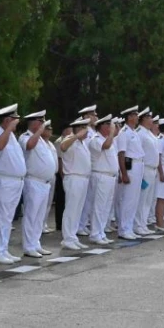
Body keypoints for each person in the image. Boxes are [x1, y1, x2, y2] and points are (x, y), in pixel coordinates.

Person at [0, 103, 26, 265]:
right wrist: (9, 128)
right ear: (8, 120)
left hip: (14, 182)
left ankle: (3, 249)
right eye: (15, 120)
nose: (17, 123)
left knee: (8, 219)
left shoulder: (11, 136)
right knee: (0, 217)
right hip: (2, 181)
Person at [18, 110, 55, 258]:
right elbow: (29, 146)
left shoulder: (41, 140)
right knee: (31, 215)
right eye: (40, 122)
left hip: (45, 183)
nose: (43, 125)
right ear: (33, 123)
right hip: (33, 181)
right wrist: (39, 131)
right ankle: (28, 246)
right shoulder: (25, 137)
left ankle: (36, 243)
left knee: (40, 216)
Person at [59, 117, 91, 250]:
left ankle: (72, 236)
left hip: (83, 178)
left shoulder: (82, 143)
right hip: (73, 178)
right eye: (85, 129)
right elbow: (63, 146)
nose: (87, 132)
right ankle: (67, 238)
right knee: (71, 209)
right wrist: (76, 135)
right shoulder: (70, 139)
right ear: (79, 129)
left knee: (77, 210)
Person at [87, 114, 118, 245]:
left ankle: (101, 232)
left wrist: (112, 135)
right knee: (99, 206)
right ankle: (95, 234)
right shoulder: (95, 139)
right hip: (101, 176)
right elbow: (105, 146)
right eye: (108, 125)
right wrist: (111, 134)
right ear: (101, 127)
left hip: (110, 177)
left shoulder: (109, 139)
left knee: (106, 207)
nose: (111, 127)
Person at [115, 106, 144, 240]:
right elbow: (121, 154)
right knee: (127, 200)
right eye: (135, 115)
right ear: (130, 117)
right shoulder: (124, 132)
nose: (137, 118)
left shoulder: (134, 132)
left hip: (138, 165)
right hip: (130, 166)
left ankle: (129, 227)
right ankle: (124, 229)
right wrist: (124, 173)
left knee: (134, 200)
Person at [135, 108, 161, 234]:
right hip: (144, 168)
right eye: (149, 118)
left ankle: (143, 224)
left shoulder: (150, 134)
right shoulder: (139, 133)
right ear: (143, 119)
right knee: (142, 198)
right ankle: (138, 225)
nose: (152, 120)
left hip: (153, 169)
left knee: (148, 199)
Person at [76, 105, 99, 237]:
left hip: (90, 168)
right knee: (84, 200)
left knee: (89, 199)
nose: (96, 117)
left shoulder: (93, 131)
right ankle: (80, 225)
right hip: (86, 168)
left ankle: (83, 224)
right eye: (93, 115)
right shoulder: (85, 130)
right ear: (86, 117)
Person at [41, 120, 59, 234]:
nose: (50, 130)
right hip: (43, 177)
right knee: (42, 203)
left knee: (48, 202)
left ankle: (44, 223)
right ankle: (41, 224)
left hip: (52, 175)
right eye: (48, 128)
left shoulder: (51, 144)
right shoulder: (40, 142)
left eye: (51, 129)